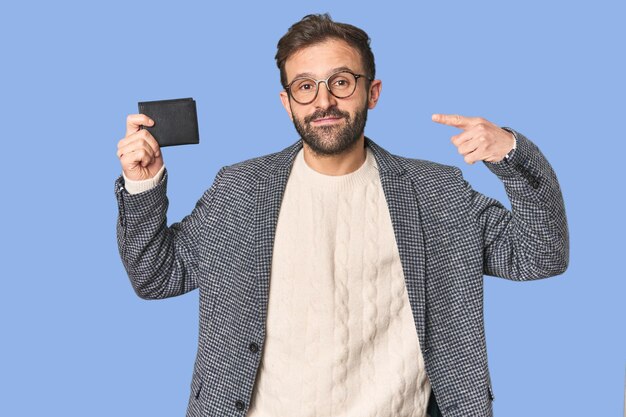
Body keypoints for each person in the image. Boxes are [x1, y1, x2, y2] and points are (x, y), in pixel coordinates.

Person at [114, 13, 568, 417]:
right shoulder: (239, 190)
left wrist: (511, 154)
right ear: (286, 102)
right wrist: (144, 184)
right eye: (305, 86)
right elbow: (156, 276)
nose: (324, 101)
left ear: (372, 92)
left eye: (342, 81)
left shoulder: (437, 194)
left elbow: (542, 254)